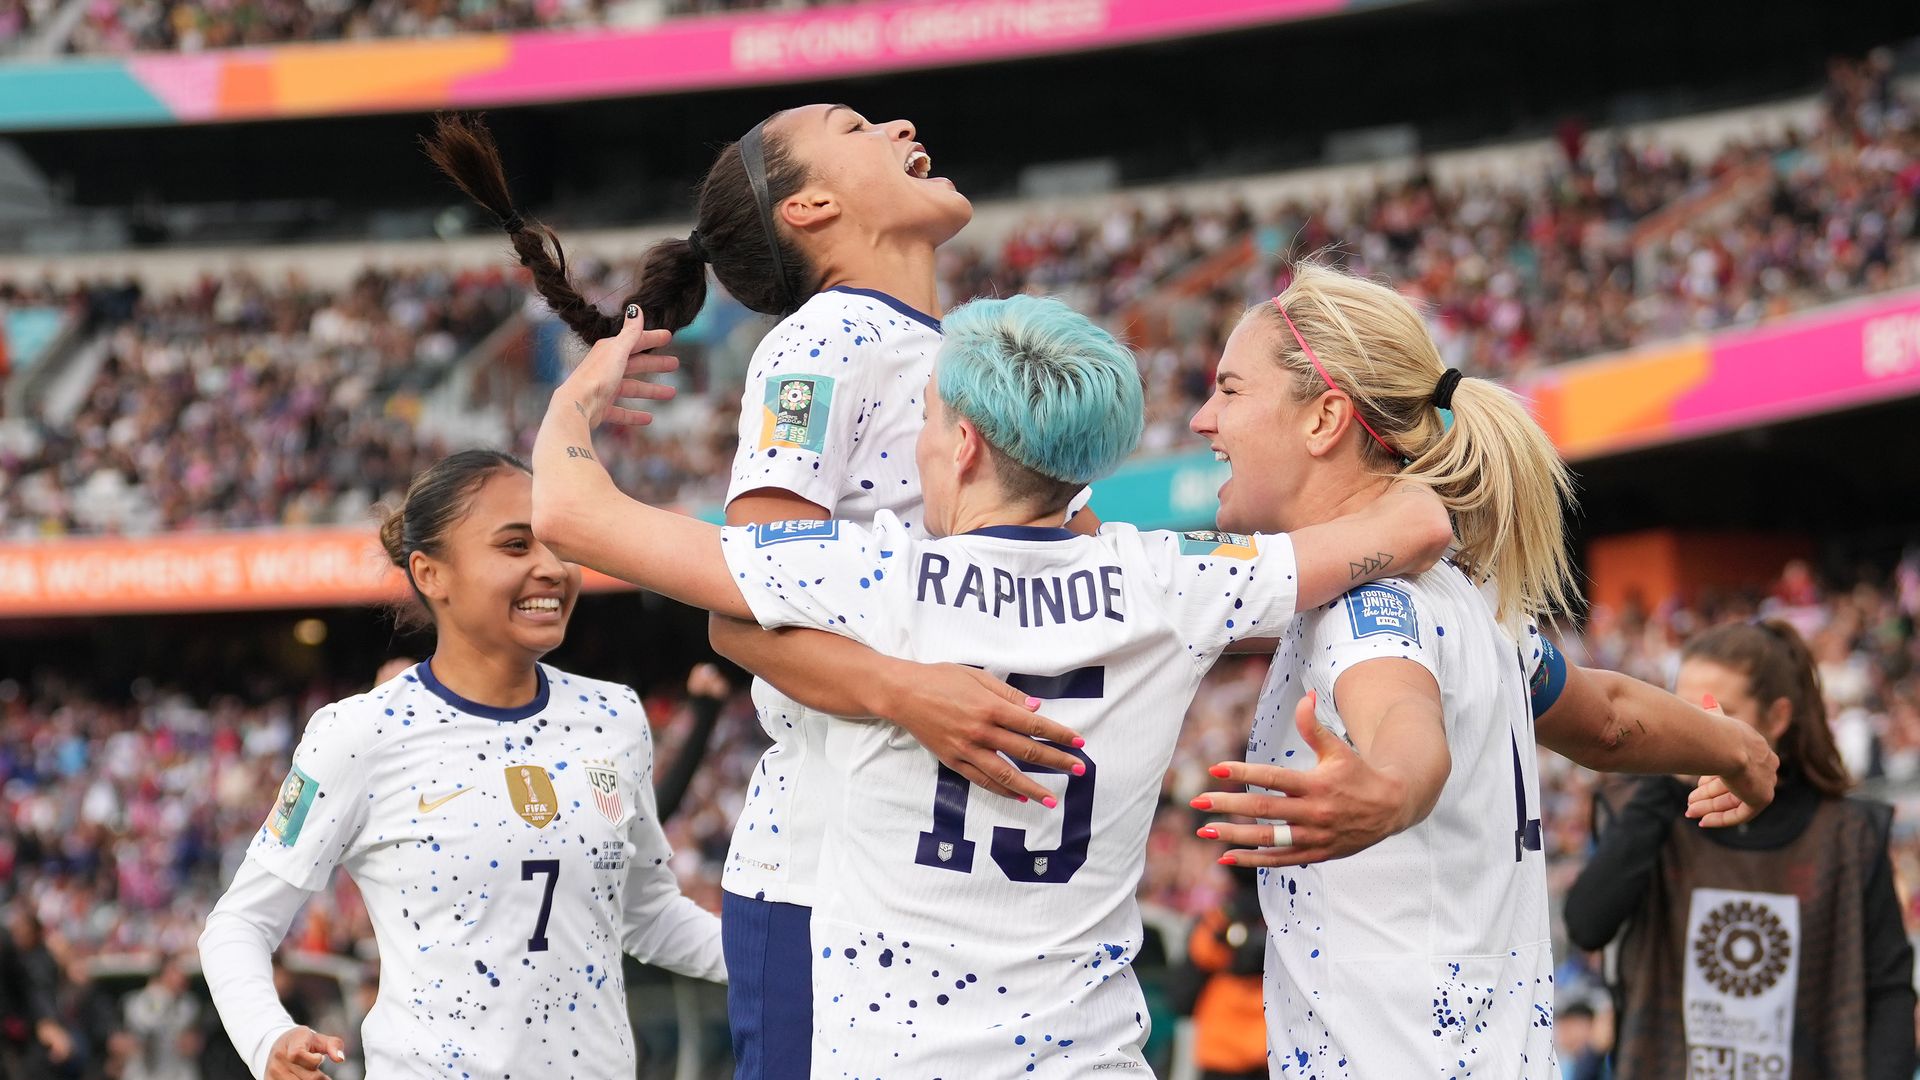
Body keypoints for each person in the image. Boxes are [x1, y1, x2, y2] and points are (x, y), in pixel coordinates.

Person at [526, 295, 1453, 1072]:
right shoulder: (1177, 580)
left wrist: (579, 398)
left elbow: (572, 513)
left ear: (963, 443)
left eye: (926, 425)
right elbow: (1414, 524)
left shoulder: (868, 579)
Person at [426, 108, 1091, 1078]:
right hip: (827, 872)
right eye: (855, 125)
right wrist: (911, 696)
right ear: (811, 205)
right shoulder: (824, 343)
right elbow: (749, 614)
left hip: (952, 863)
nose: (901, 121)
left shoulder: (973, 359)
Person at [1182, 264, 1777, 1077]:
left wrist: (1393, 787)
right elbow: (1602, 716)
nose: (1200, 419)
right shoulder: (1468, 594)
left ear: (1325, 418)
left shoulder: (1365, 602)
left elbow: (1403, 722)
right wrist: (1733, 747)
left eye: (1229, 390)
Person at [198, 449, 723, 1080]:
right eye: (514, 546)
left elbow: (646, 912)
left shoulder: (615, 718)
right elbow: (238, 924)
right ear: (431, 573)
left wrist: (799, 962)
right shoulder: (360, 733)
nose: (551, 568)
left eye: (557, 544)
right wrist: (268, 1038)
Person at [1564, 620, 1916, 1079]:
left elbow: (1888, 990)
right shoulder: (1646, 811)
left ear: (1778, 717)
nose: (1696, 727)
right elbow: (1587, 923)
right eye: (1682, 710)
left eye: (1717, 711)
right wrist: (1671, 777)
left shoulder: (1848, 834)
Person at [1184, 865, 1269, 1080]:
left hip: (1224, 1044)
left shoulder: (1221, 916)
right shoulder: (1281, 915)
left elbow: (1201, 954)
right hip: (1263, 1040)